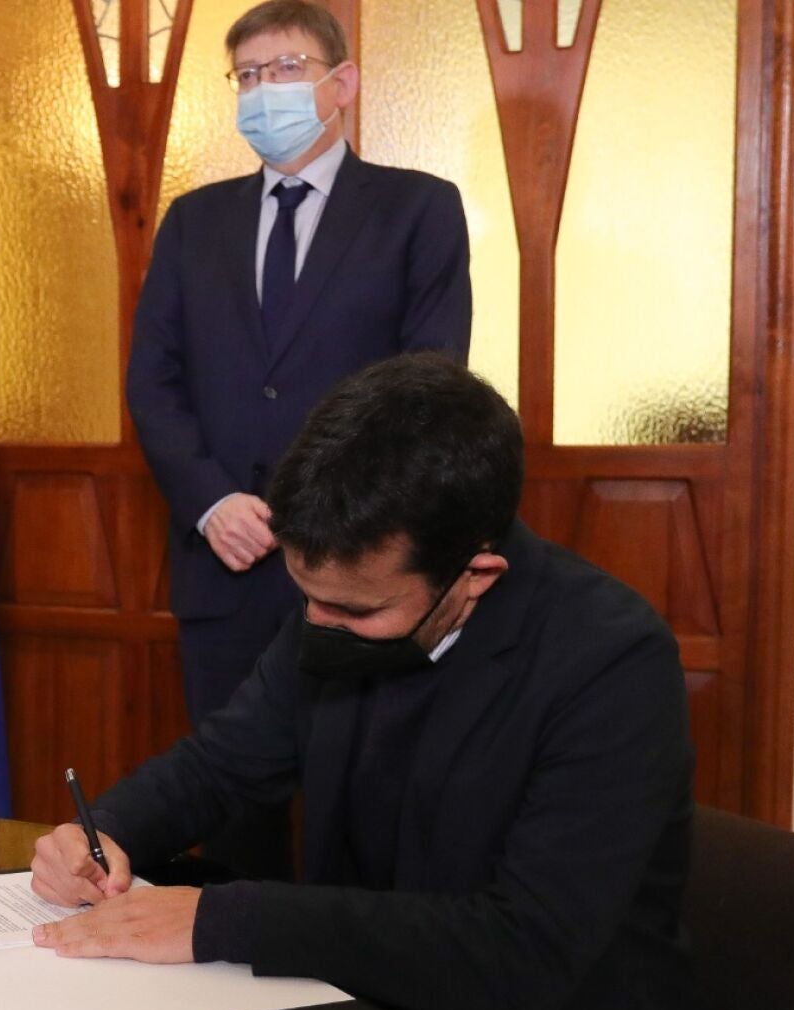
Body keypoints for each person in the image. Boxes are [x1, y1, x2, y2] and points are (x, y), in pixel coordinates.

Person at [32, 356, 699, 1010]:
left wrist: (225, 919)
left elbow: (525, 952)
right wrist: (104, 831)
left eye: (355, 609)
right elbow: (219, 767)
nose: (317, 624)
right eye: (308, 597)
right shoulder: (340, 604)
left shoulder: (612, 660)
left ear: (475, 576)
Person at [126, 0, 473, 879]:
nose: (262, 91)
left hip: (365, 567)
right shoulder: (192, 222)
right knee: (233, 814)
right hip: (226, 567)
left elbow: (428, 383)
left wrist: (336, 519)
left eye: (285, 69)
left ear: (341, 83)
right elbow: (152, 382)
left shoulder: (418, 209)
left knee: (370, 809)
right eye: (247, 75)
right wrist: (211, 501)